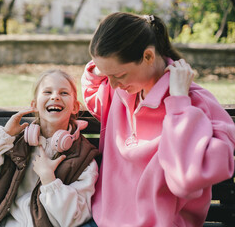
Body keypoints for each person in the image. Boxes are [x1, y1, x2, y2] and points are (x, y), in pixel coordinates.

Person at [81, 12, 235, 227]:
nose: (113, 84)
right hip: (101, 220)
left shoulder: (196, 102)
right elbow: (91, 88)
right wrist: (104, 69)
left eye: (120, 75)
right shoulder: (119, 92)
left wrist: (179, 104)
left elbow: (187, 179)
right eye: (108, 76)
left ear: (149, 56)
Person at [0, 69, 99, 227]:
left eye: (64, 93)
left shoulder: (84, 158)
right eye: (47, 91)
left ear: (75, 107)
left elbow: (74, 218)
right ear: (34, 105)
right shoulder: (15, 143)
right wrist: (5, 135)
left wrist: (49, 180)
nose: (55, 96)